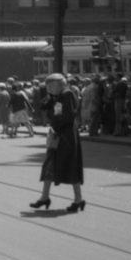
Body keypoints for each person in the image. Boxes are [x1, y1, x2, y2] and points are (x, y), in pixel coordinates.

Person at [31, 74, 86, 213]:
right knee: (49, 165)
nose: (48, 88)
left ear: (61, 85)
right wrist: (49, 97)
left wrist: (55, 121)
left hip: (66, 136)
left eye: (51, 85)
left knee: (70, 166)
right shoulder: (56, 96)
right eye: (47, 85)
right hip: (58, 134)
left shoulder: (67, 95)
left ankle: (78, 199)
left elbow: (67, 116)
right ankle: (44, 197)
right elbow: (42, 106)